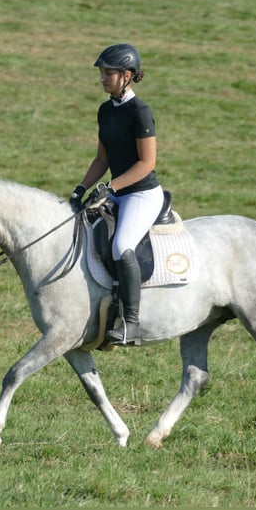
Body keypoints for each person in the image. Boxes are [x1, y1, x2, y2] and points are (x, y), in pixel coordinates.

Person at [69, 44, 164, 345]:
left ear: (127, 75)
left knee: (122, 245)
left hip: (142, 194)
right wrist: (80, 189)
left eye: (108, 72)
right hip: (116, 191)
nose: (102, 78)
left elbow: (147, 163)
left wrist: (112, 188)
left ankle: (131, 322)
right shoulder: (105, 110)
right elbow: (102, 159)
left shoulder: (141, 112)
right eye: (101, 72)